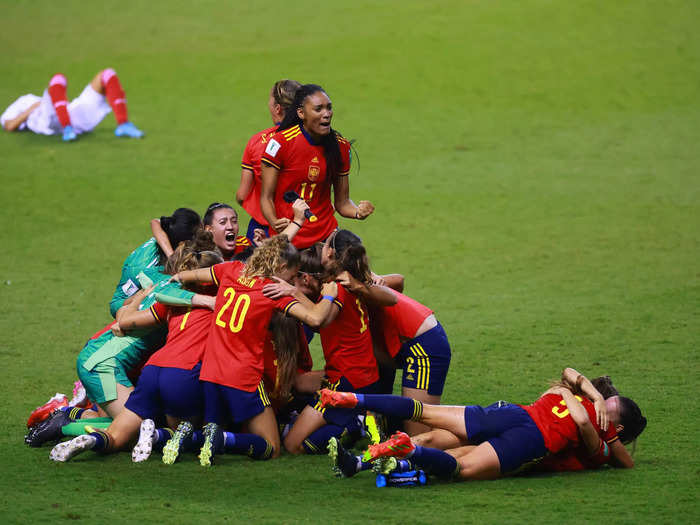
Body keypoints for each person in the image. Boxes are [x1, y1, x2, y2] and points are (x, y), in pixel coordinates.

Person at [48, 238, 222, 463]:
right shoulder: (218, 304)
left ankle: (93, 439)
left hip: (147, 368)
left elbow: (124, 317)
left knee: (119, 432)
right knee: (179, 431)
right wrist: (208, 302)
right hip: (116, 366)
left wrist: (136, 299)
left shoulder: (168, 294)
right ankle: (67, 421)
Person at [171, 235, 339, 465]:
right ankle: (222, 439)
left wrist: (178, 283)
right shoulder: (272, 291)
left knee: (213, 430)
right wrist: (329, 294)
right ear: (280, 268)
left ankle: (191, 435)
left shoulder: (231, 269)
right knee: (271, 447)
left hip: (210, 373)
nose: (290, 283)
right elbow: (316, 319)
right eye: (290, 277)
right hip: (242, 377)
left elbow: (185, 276)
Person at [321, 367, 646, 481]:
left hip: (513, 413)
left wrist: (573, 392)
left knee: (426, 414)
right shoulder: (596, 429)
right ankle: (406, 451)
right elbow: (588, 428)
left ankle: (356, 401)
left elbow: (567, 376)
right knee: (458, 467)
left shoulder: (573, 400)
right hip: (529, 438)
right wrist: (590, 402)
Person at [262, 239, 397, 455]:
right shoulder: (348, 283)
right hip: (362, 375)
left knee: (293, 444)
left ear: (305, 277)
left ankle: (358, 425)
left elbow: (319, 319)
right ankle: (359, 420)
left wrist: (291, 293)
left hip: (345, 380)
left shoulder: (336, 291)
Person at [260, 84, 375, 249]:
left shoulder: (340, 147)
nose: (326, 114)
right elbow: (266, 197)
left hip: (326, 239)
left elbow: (342, 203)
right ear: (301, 113)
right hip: (291, 241)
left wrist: (358, 212)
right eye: (318, 109)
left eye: (329, 108)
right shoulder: (280, 143)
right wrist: (274, 222)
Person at [237, 79, 302, 241]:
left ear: (277, 108)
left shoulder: (258, 142)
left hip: (263, 229)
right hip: (306, 227)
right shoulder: (314, 141)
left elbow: (241, 195)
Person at [1, 68, 143, 141]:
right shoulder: (22, 101)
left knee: (107, 74)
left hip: (69, 113)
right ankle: (68, 129)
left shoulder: (42, 99)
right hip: (47, 121)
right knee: (58, 79)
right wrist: (32, 108)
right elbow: (9, 125)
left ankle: (123, 124)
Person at [110, 207, 202, 318]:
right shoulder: (140, 266)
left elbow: (155, 222)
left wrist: (171, 257)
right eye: (198, 237)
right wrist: (141, 296)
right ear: (183, 244)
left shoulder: (170, 233)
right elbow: (116, 305)